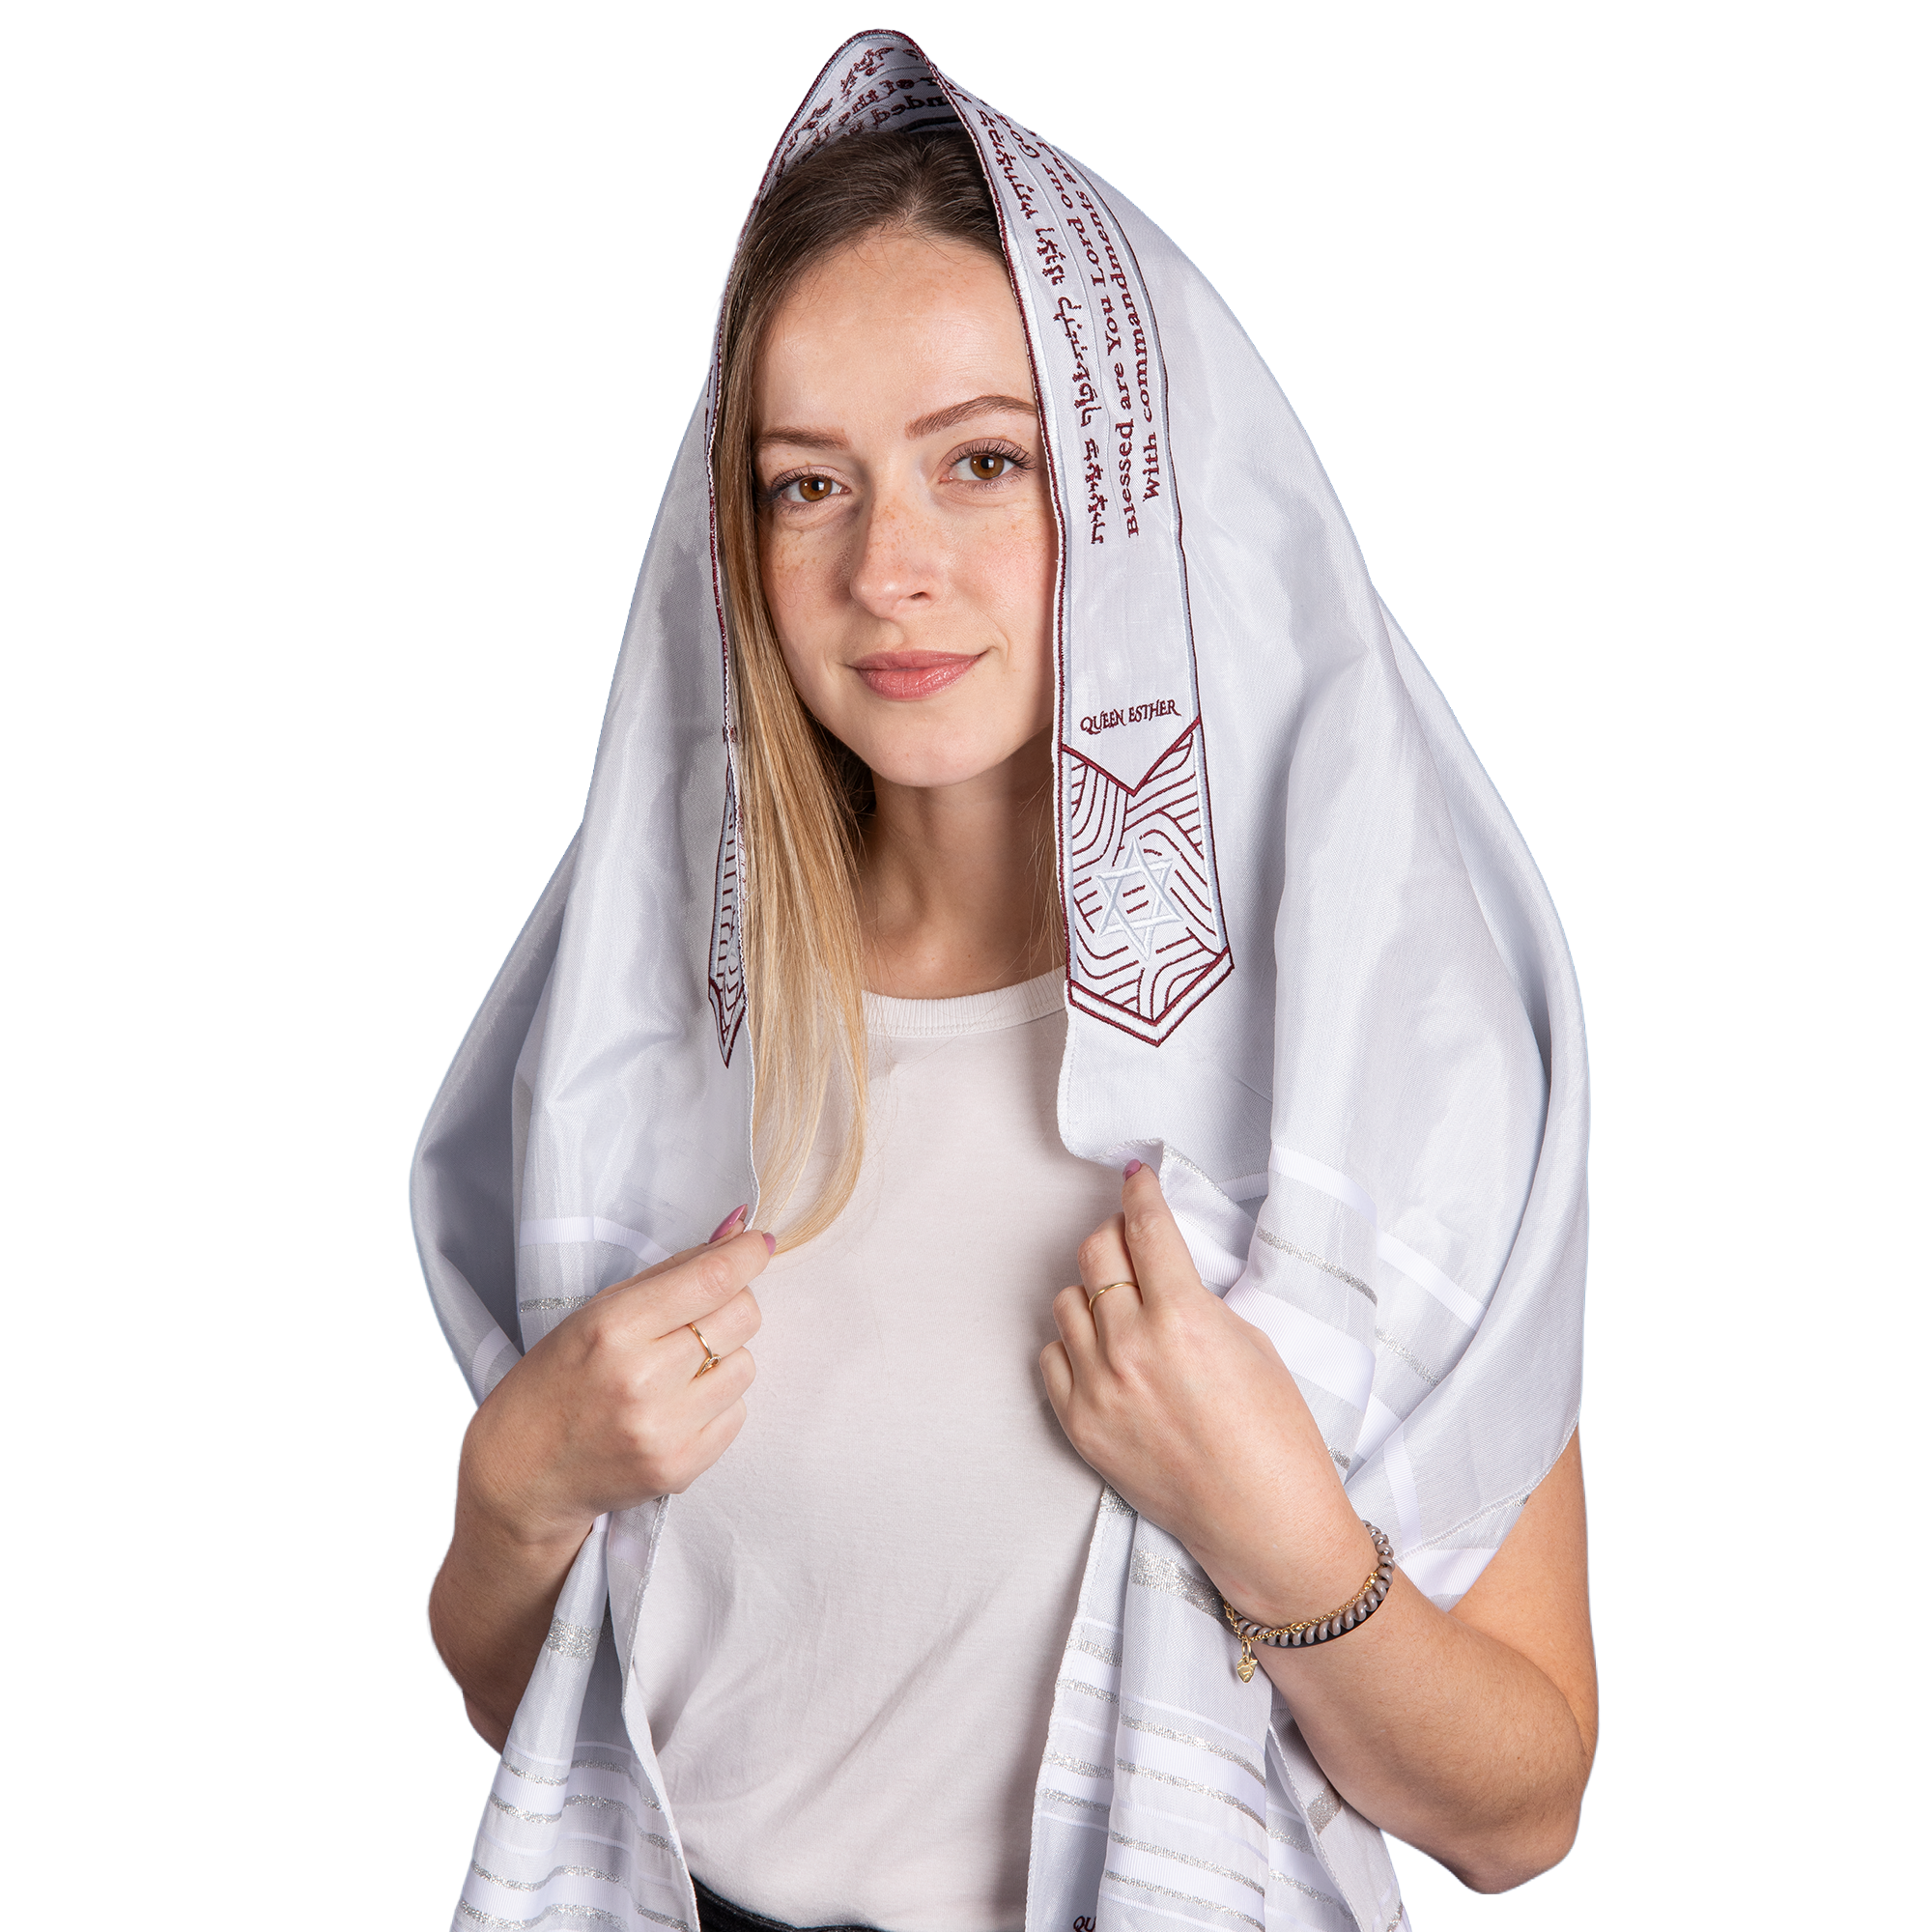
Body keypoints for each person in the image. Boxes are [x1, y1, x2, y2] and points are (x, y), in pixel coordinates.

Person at [414, 32, 1595, 1932]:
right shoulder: (658, 1040)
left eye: (984, 462)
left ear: (1138, 496)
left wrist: (1285, 1544)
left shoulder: (1337, 1072)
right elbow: (536, 1710)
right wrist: (516, 1486)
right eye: (807, 484)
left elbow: (1520, 1812)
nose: (889, 568)